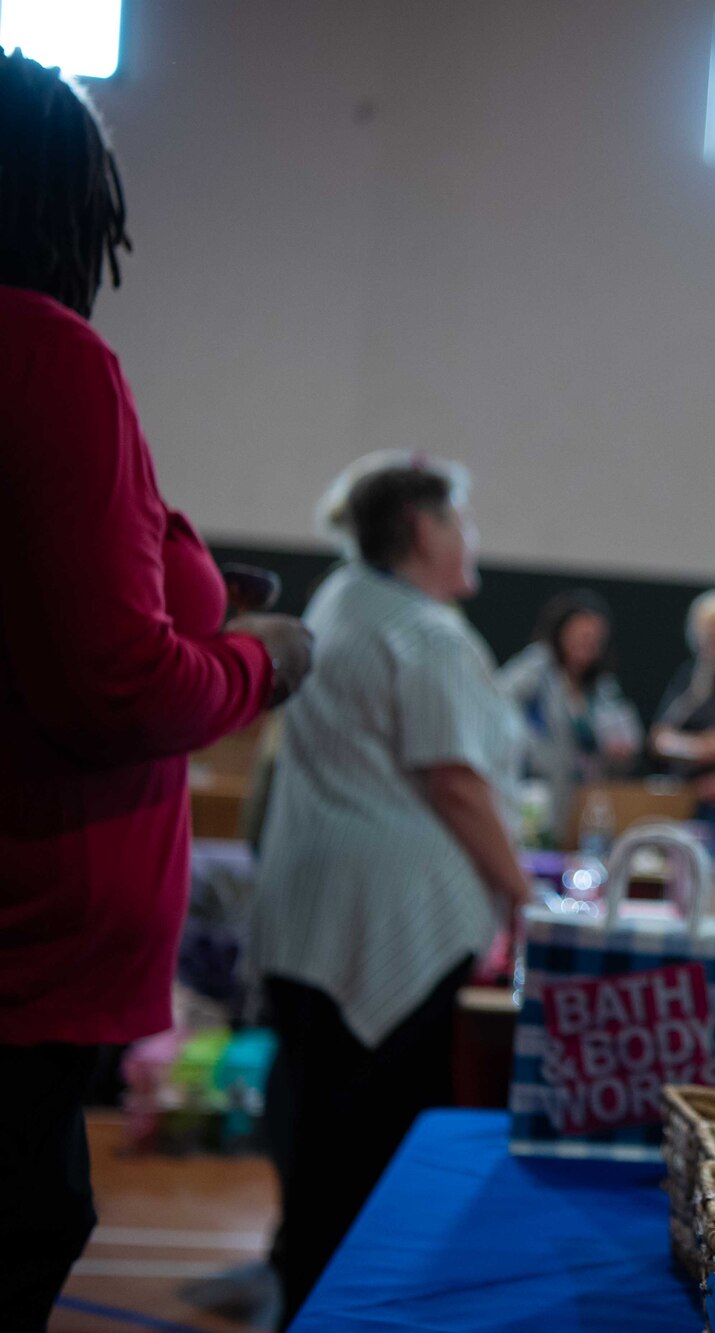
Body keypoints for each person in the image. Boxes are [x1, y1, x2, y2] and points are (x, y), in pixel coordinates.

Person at [0, 54, 312, 1330]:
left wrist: (184, 587)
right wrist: (262, 661)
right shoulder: (45, 353)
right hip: (24, 961)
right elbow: (113, 688)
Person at [251, 456, 531, 1324]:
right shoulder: (424, 630)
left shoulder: (338, 599)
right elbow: (454, 779)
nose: (471, 538)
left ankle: (309, 1300)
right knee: (364, 1164)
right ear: (421, 526)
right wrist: (523, 891)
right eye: (461, 521)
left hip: (310, 918)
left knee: (317, 1156)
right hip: (385, 932)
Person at [499, 589, 643, 843]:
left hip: (584, 802)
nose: (588, 645)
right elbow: (498, 702)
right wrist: (530, 748)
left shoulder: (601, 688)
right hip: (537, 796)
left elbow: (630, 734)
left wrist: (622, 749)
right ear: (562, 633)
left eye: (595, 640)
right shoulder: (537, 667)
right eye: (582, 636)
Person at [651, 587, 715, 796]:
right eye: (709, 634)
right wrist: (701, 747)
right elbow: (659, 739)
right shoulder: (693, 676)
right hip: (686, 792)